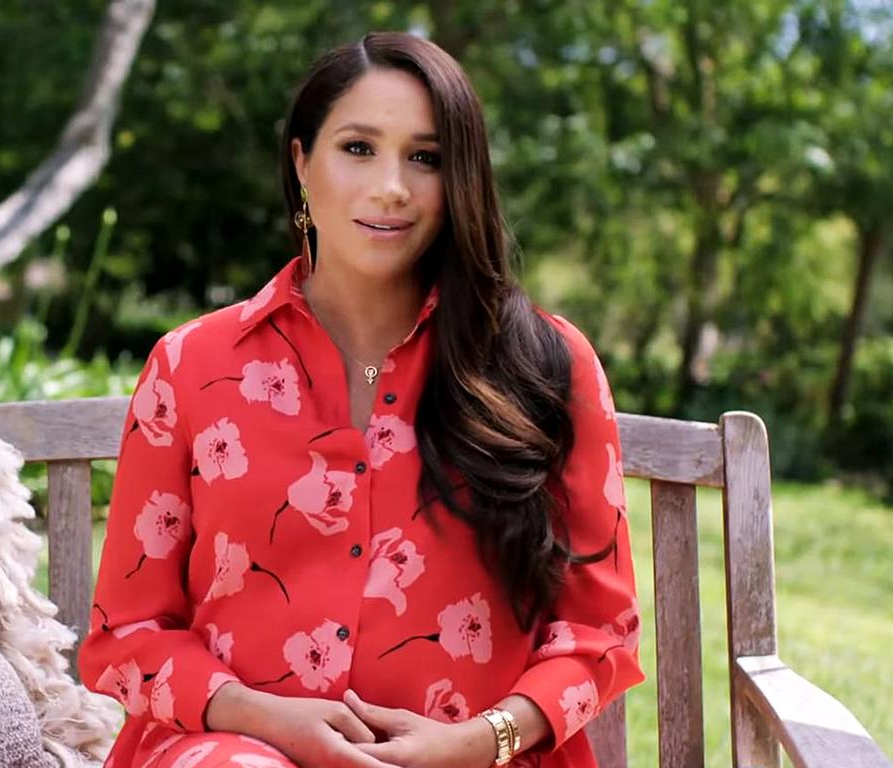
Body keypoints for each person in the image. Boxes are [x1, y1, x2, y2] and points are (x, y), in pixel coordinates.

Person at [78, 30, 643, 768]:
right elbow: (127, 634)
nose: (391, 188)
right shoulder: (191, 367)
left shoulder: (547, 366)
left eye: (426, 158)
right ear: (301, 162)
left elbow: (600, 631)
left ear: (460, 179)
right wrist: (266, 721)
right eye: (358, 148)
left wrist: (481, 739)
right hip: (230, 753)